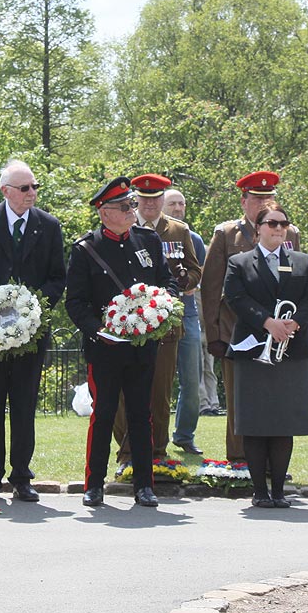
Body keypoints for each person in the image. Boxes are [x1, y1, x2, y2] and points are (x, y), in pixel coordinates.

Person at [65, 177, 178, 507]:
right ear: (104, 213)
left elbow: (166, 281)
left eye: (131, 204)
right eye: (124, 206)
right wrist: (98, 330)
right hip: (106, 348)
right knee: (103, 413)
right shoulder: (87, 248)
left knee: (142, 415)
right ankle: (94, 484)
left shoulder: (148, 240)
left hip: (143, 346)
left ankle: (144, 485)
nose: (132, 210)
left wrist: (162, 304)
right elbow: (77, 302)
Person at [0, 159, 66, 502]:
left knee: (24, 405)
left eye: (35, 187)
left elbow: (56, 278)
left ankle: (22, 476)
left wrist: (31, 310)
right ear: (6, 191)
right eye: (24, 188)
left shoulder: (48, 226)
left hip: (31, 334)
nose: (31, 193)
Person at [223, 202, 308, 508]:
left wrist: (294, 323)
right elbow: (235, 297)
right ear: (258, 228)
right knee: (256, 422)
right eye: (272, 223)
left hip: (290, 350)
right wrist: (268, 322)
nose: (279, 228)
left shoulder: (302, 261)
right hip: (254, 349)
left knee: (283, 422)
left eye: (283, 224)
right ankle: (259, 492)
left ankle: (278, 490)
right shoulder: (240, 262)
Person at [202, 171, 296, 465]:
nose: (261, 204)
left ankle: (272, 463)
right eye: (256, 199)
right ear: (243, 202)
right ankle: (240, 460)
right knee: (240, 400)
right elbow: (211, 287)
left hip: (278, 333)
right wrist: (213, 334)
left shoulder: (289, 233)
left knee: (275, 399)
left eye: (267, 199)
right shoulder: (227, 234)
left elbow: (297, 282)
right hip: (236, 331)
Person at [112, 174, 202, 466]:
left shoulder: (177, 230)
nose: (150, 204)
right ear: (135, 199)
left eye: (155, 198)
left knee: (160, 393)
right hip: (128, 323)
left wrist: (183, 282)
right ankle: (128, 453)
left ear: (163, 199)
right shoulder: (121, 224)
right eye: (145, 199)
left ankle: (157, 454)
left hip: (165, 325)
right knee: (125, 393)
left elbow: (195, 270)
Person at [163, 187, 207, 454]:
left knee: (193, 380)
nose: (178, 208)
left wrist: (189, 281)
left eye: (182, 203)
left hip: (187, 314)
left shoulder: (194, 239)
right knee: (158, 381)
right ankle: (154, 437)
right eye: (173, 204)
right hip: (156, 314)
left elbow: (196, 277)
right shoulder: (150, 235)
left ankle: (184, 435)